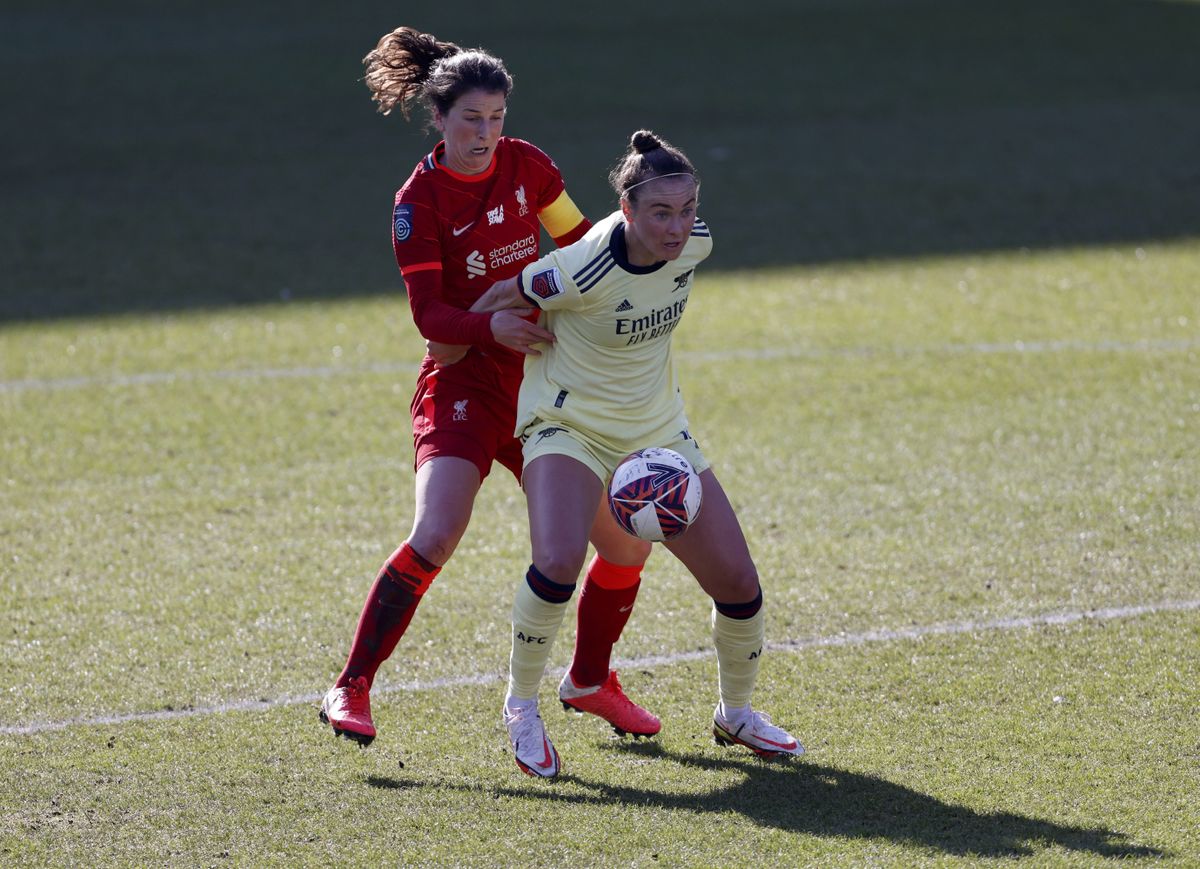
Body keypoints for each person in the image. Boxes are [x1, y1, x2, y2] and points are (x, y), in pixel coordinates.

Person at [319, 27, 660, 747]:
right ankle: (350, 686)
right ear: (438, 118)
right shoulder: (418, 204)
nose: (486, 134)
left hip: (541, 384)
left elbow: (578, 245)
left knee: (627, 538)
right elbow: (432, 321)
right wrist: (492, 324)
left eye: (497, 118)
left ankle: (591, 680)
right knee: (436, 532)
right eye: (471, 119)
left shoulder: (527, 167)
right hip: (464, 384)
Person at [469, 130, 805, 777]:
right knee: (560, 559)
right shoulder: (582, 266)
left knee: (739, 583)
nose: (677, 226)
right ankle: (521, 707)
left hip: (659, 436)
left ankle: (735, 713)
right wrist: (456, 347)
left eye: (686, 209)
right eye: (660, 212)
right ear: (626, 210)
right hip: (568, 426)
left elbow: (684, 246)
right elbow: (496, 300)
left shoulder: (695, 246)